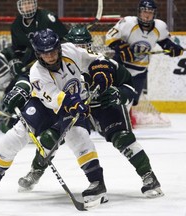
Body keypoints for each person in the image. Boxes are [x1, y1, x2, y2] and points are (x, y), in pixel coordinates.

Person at [18, 25, 164, 198]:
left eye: (85, 45)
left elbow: (129, 86)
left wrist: (118, 94)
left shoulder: (104, 63)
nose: (80, 50)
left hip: (103, 105)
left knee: (122, 137)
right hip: (73, 108)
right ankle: (36, 170)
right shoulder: (56, 66)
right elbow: (42, 87)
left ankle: (149, 176)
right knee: (51, 137)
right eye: (76, 46)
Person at [0, 28, 116, 207]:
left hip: (73, 102)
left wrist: (101, 70)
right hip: (45, 105)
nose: (50, 57)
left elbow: (97, 59)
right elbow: (55, 99)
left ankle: (97, 182)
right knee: (16, 135)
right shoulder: (37, 73)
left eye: (52, 51)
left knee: (78, 136)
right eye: (44, 54)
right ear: (38, 54)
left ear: (58, 48)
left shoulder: (71, 51)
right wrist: (74, 103)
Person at [0, 0, 68, 132]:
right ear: (19, 6)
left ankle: (50, 119)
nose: (27, 7)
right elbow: (18, 49)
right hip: (32, 63)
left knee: (43, 89)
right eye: (24, 4)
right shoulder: (17, 24)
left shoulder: (47, 18)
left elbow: (64, 41)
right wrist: (16, 61)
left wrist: (49, 56)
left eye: (30, 3)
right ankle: (8, 117)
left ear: (35, 4)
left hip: (52, 62)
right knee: (16, 84)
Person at [105, 0, 184, 126]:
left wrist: (174, 49)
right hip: (121, 68)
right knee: (115, 96)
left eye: (150, 12)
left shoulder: (160, 27)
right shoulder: (128, 23)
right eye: (144, 12)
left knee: (133, 101)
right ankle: (110, 122)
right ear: (139, 13)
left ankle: (118, 121)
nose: (147, 15)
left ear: (154, 14)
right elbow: (109, 37)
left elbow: (167, 43)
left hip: (140, 71)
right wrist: (121, 47)